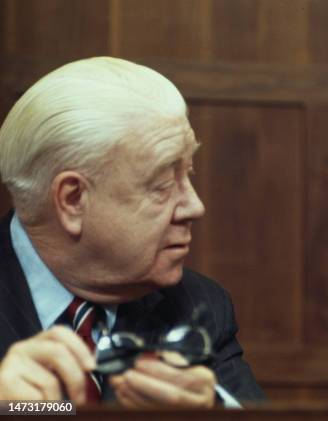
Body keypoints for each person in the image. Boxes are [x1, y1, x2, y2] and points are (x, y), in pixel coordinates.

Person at [0, 57, 264, 407]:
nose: (194, 207)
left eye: (188, 175)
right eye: (162, 185)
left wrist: (212, 411)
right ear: (73, 199)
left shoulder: (199, 306)